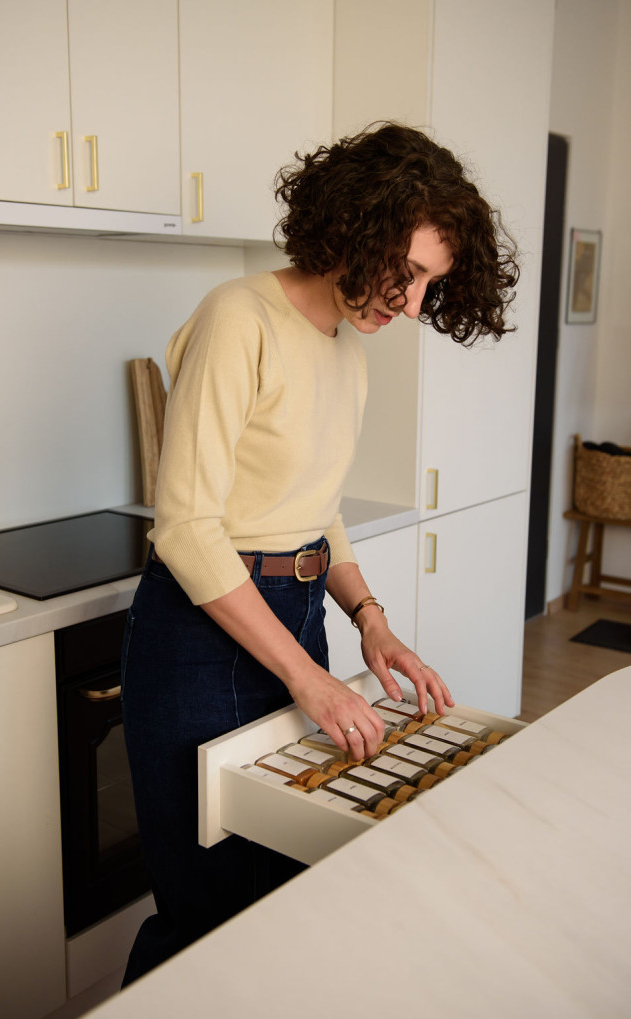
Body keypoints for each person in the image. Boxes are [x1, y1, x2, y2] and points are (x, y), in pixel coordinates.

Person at [120, 121, 519, 984]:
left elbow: (316, 511)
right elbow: (186, 528)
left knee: (277, 896)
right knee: (204, 916)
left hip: (298, 620)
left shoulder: (347, 353)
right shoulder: (239, 317)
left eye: (430, 283)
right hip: (199, 638)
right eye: (407, 272)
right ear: (355, 222)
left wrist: (370, 620)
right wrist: (309, 678)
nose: (410, 304)